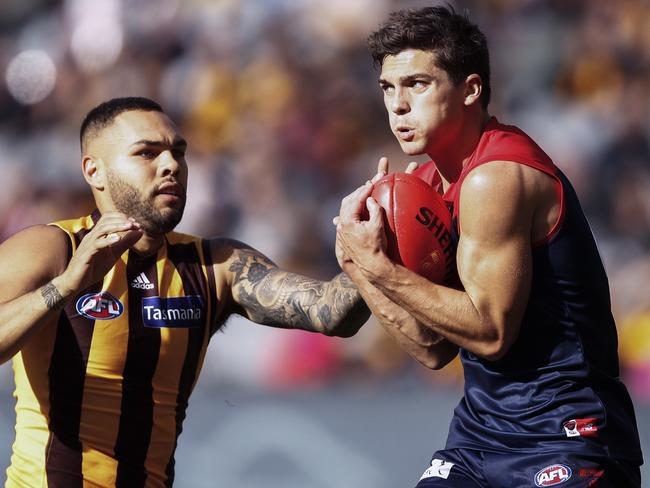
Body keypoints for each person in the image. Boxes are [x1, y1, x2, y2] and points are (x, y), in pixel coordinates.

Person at [335, 6, 643, 487]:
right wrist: (356, 262)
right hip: (480, 437)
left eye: (417, 84)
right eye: (387, 88)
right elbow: (432, 349)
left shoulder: (495, 177)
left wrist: (382, 270)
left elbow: (491, 333)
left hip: (566, 433)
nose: (398, 105)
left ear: (470, 90)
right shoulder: (425, 184)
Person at [0, 97, 369, 488]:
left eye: (179, 152)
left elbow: (333, 312)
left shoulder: (215, 266)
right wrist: (65, 286)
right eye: (147, 153)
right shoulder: (51, 249)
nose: (171, 165)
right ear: (95, 170)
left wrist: (380, 245)